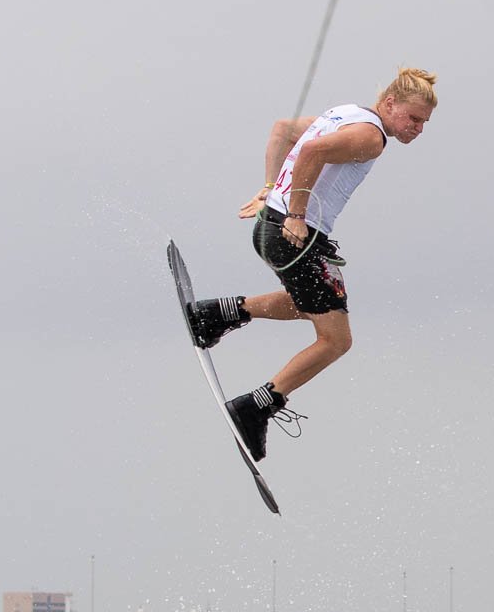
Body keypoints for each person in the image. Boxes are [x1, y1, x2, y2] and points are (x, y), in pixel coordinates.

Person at [187, 66, 438, 461]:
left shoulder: (345, 114)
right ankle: (255, 407)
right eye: (414, 118)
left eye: (423, 123)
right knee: (336, 340)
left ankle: (217, 314)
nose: (418, 129)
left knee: (314, 307)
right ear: (390, 103)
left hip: (272, 228)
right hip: (296, 237)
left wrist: (270, 191)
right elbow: (311, 151)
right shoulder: (370, 136)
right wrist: (297, 214)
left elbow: (284, 130)